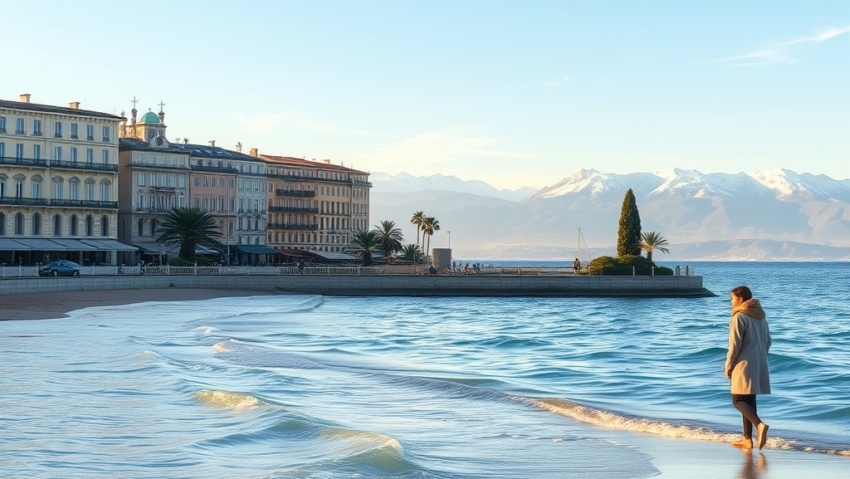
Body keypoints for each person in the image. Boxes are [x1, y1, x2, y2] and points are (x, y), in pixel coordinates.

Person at [725, 285, 771, 450]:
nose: (731, 302)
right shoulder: (760, 316)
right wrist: (760, 355)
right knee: (749, 401)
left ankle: (759, 424)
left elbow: (735, 346)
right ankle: (747, 439)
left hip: (743, 363)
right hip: (759, 362)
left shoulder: (740, 317)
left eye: (732, 298)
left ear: (741, 299)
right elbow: (768, 340)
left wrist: (728, 366)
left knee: (737, 400)